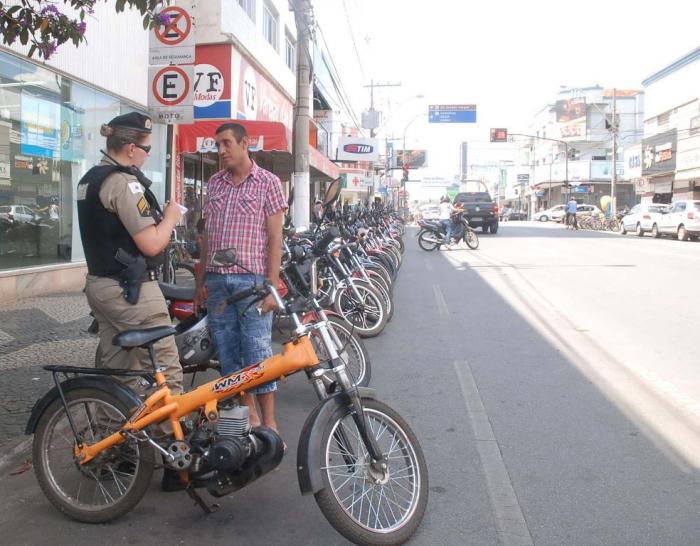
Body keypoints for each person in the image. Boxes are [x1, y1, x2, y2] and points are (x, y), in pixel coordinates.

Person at [76, 112, 185, 490]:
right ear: (130, 147)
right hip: (133, 291)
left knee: (117, 372)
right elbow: (153, 243)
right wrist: (170, 216)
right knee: (167, 372)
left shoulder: (89, 179)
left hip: (102, 287)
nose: (146, 155)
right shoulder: (124, 185)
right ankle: (178, 461)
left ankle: (114, 454)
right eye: (146, 148)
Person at [194, 122, 288, 438]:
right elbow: (207, 235)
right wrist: (201, 281)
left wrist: (272, 287)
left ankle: (271, 422)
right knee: (229, 353)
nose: (220, 151)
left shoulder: (268, 182)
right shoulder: (215, 184)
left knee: (258, 352)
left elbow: (276, 237)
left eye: (226, 144)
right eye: (217, 145)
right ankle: (249, 418)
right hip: (219, 282)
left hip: (253, 282)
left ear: (245, 143)